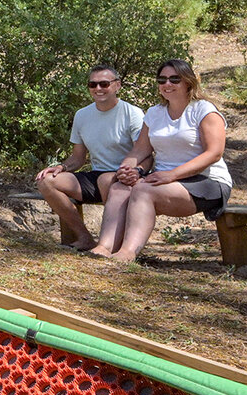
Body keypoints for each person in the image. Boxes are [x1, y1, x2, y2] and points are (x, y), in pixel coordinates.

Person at [89, 59, 232, 264]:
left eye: (175, 79)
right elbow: (140, 149)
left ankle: (127, 253)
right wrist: (127, 169)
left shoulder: (204, 110)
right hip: (164, 181)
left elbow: (214, 153)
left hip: (206, 182)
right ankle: (104, 247)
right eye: (162, 79)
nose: (167, 84)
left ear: (188, 82)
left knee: (143, 190)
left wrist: (171, 175)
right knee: (121, 186)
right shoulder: (155, 113)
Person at [34, 65, 145, 250]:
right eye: (93, 84)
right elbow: (78, 158)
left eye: (104, 84)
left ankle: (112, 246)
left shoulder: (132, 113)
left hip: (125, 176)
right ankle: (84, 238)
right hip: (96, 175)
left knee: (106, 180)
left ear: (117, 85)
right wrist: (60, 167)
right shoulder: (82, 115)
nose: (98, 89)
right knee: (46, 181)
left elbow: (144, 152)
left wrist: (136, 172)